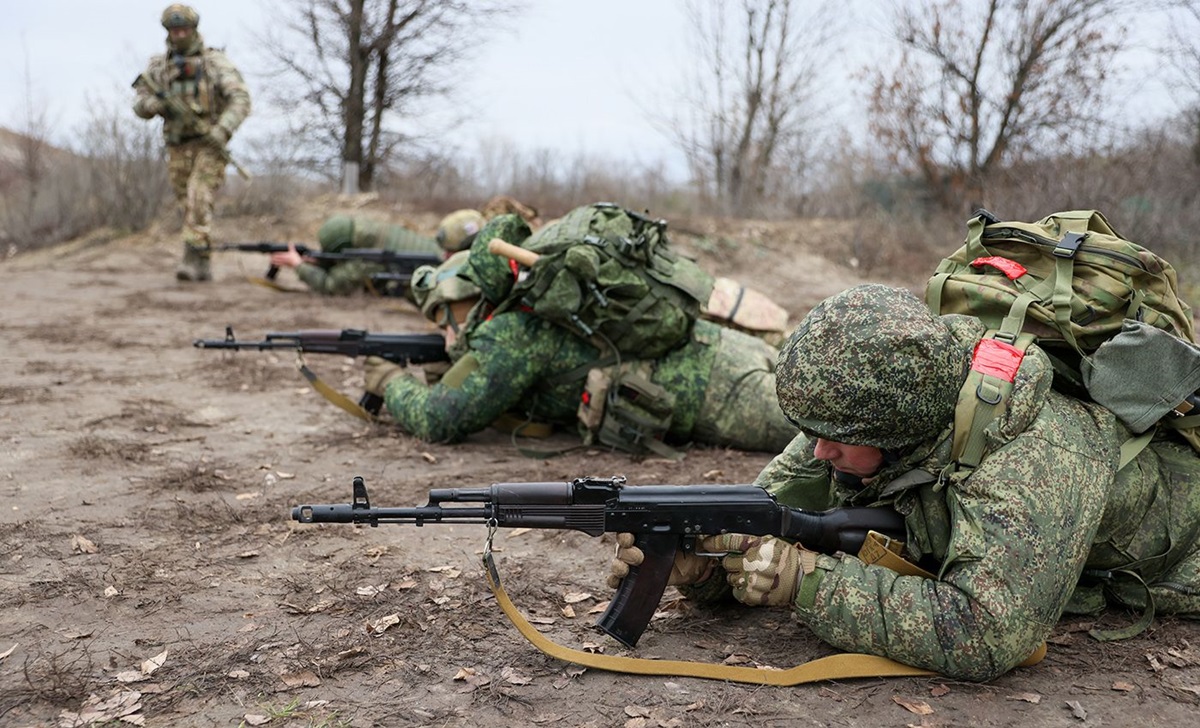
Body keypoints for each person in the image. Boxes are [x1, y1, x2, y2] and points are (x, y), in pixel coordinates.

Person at [610, 284, 1200, 681]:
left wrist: (809, 583)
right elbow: (762, 519)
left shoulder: (1033, 454)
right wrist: (703, 565)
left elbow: (987, 635)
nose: (818, 451)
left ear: (899, 432)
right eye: (811, 432)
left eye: (834, 438)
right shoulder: (856, 416)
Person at [361, 215, 799, 453]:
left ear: (469, 299)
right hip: (723, 345)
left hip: (717, 392)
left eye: (444, 318)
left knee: (826, 429)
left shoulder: (510, 333)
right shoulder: (540, 296)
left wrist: (391, 381)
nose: (444, 332)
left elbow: (439, 419)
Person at [132, 4, 251, 282]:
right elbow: (139, 102)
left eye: (185, 29)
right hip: (177, 146)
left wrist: (222, 129)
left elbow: (241, 99)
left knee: (199, 195)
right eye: (175, 30)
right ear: (168, 32)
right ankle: (203, 263)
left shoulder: (214, 63)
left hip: (209, 144)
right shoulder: (159, 67)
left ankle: (190, 256)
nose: (180, 35)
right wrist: (152, 105)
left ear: (194, 29)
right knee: (188, 204)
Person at [267, 215, 440, 296]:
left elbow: (331, 285)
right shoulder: (371, 231)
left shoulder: (370, 255)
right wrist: (319, 263)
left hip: (438, 275)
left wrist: (298, 265)